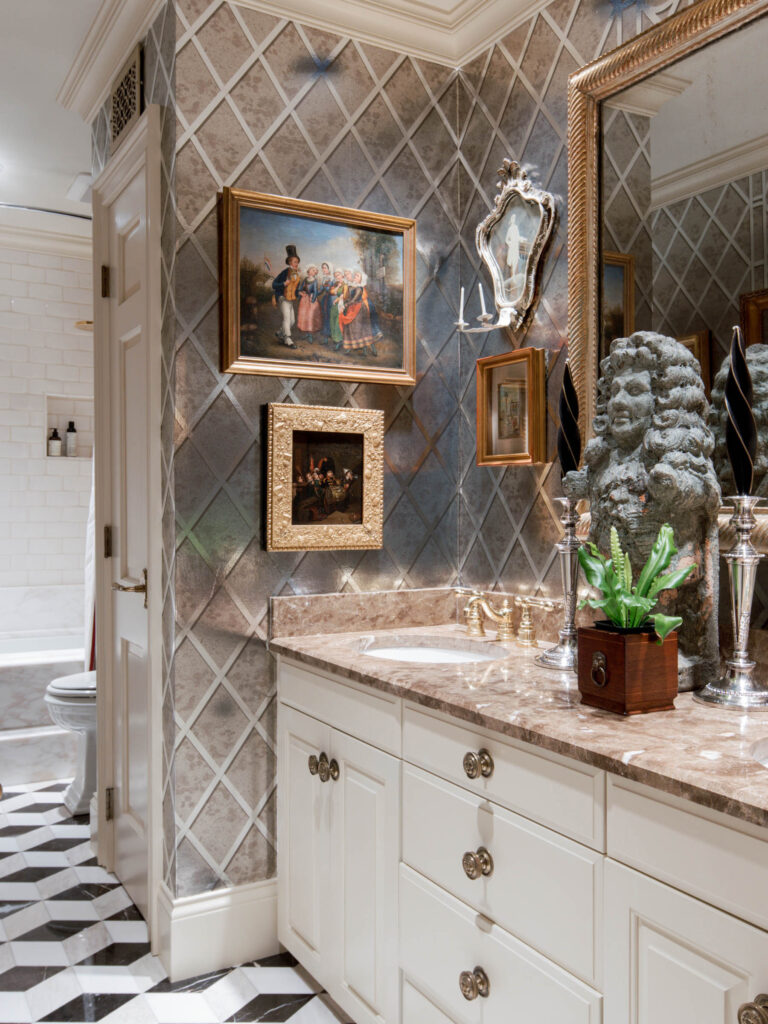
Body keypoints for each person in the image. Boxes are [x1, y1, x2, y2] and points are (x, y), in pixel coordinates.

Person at [338, 271, 380, 356]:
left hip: (359, 309)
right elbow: (348, 297)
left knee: (363, 330)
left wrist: (346, 305)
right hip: (351, 309)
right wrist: (343, 301)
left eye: (357, 276)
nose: (355, 277)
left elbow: (355, 299)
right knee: (350, 328)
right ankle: (350, 347)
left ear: (361, 279)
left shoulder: (360, 288)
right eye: (355, 275)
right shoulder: (350, 286)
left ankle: (371, 350)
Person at [271, 245, 301, 348]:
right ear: (289, 262)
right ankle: (288, 339)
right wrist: (284, 284)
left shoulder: (297, 275)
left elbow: (295, 289)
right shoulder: (284, 273)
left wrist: (299, 293)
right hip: (282, 298)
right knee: (287, 318)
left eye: (297, 262)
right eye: (295, 262)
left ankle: (280, 332)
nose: (297, 264)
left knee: (292, 321)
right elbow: (274, 285)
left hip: (290, 299)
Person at [297, 265, 322, 343]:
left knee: (311, 316)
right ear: (308, 271)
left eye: (314, 271)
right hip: (304, 299)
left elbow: (315, 291)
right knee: (305, 316)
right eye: (311, 270)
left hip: (311, 299)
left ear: (315, 273)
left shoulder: (315, 281)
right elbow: (301, 288)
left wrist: (313, 300)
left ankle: (310, 335)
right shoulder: (305, 279)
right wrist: (300, 292)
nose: (312, 272)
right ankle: (307, 334)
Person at [318, 262, 333, 345]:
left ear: (329, 269)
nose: (323, 269)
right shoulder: (324, 278)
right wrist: (314, 294)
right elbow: (321, 290)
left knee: (331, 317)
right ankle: (326, 338)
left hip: (332, 299)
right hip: (325, 300)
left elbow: (331, 291)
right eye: (322, 268)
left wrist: (325, 287)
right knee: (325, 317)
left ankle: (334, 337)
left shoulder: (333, 278)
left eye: (325, 268)